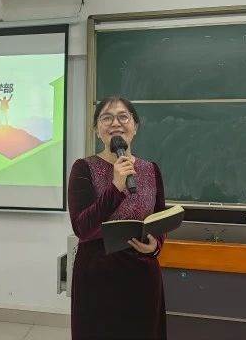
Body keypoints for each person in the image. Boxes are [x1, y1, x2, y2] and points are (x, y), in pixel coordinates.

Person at [69, 96, 167, 340]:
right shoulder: (83, 168)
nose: (116, 123)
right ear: (97, 130)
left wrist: (156, 245)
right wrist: (115, 187)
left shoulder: (151, 169)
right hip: (97, 277)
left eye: (123, 116)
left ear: (135, 126)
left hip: (143, 276)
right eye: (107, 118)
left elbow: (159, 220)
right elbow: (82, 228)